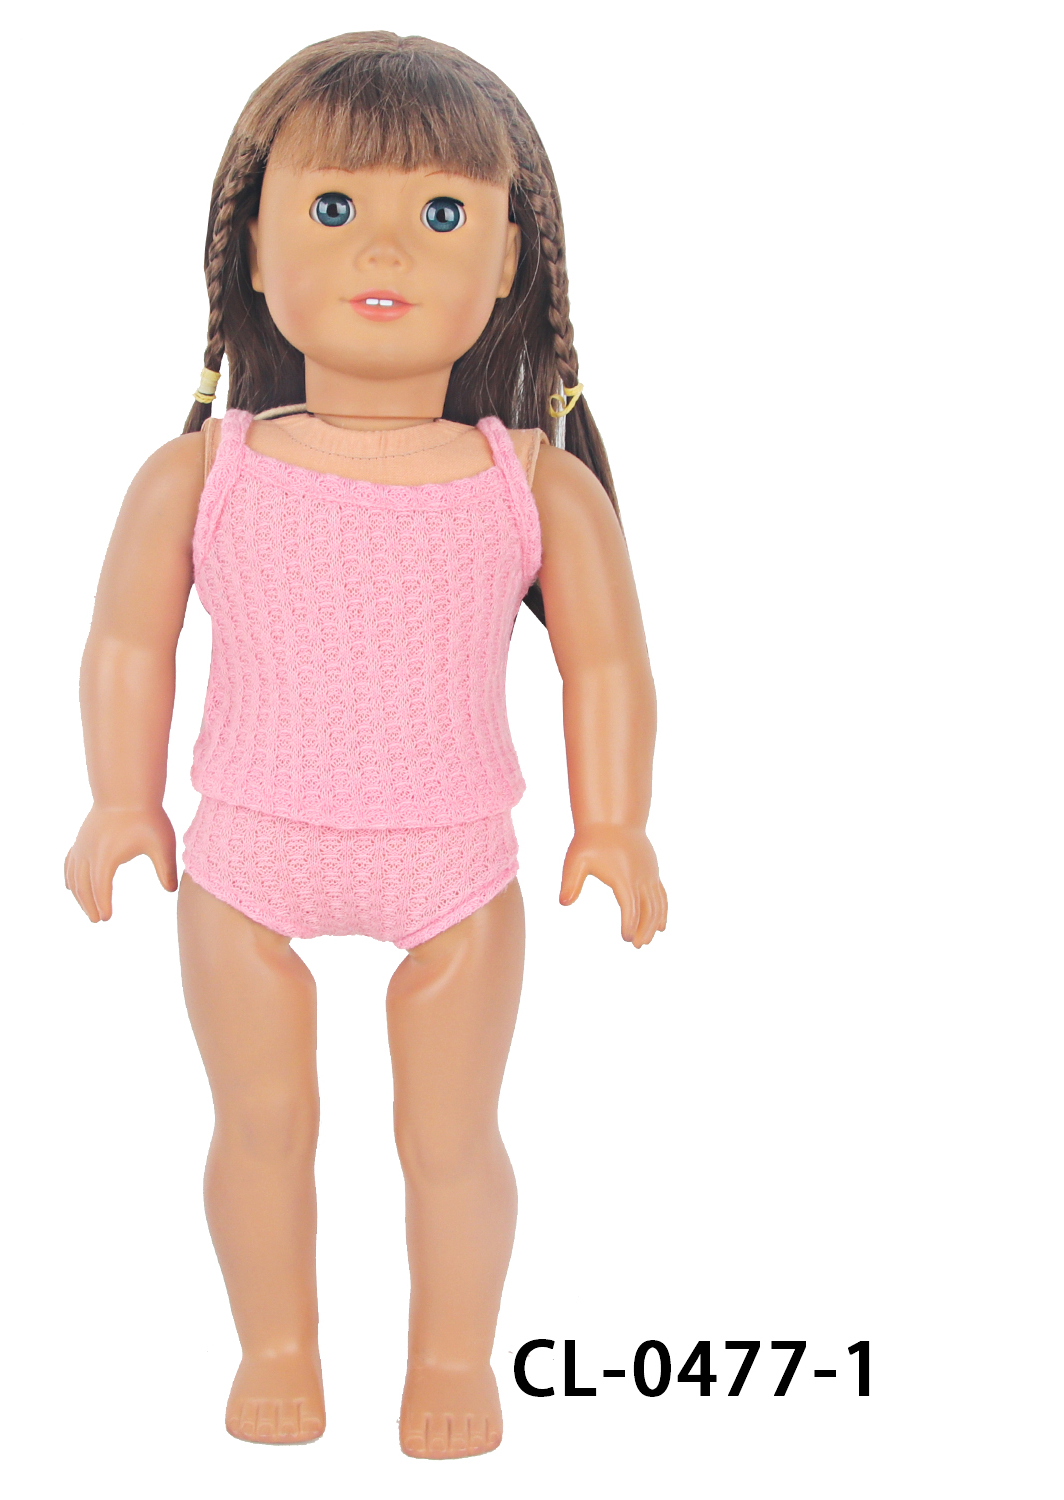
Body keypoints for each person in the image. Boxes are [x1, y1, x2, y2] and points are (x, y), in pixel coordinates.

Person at [64, 31, 666, 1459]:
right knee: (260, 1122)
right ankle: (276, 1348)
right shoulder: (201, 474)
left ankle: (453, 1359)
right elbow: (129, 644)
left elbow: (606, 662)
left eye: (443, 213)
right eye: (333, 208)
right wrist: (119, 801)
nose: (384, 247)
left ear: (509, 261)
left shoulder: (533, 484)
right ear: (252, 251)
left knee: (450, 1137)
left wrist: (616, 822)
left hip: (454, 862)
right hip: (244, 854)